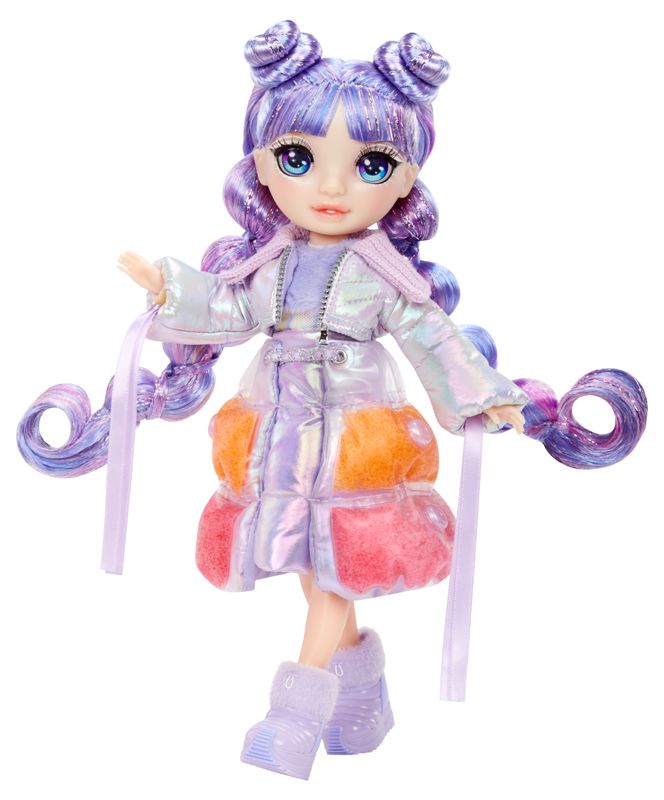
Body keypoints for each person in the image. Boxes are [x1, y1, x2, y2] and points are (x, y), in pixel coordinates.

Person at [17, 20, 647, 781]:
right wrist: (168, 288)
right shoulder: (271, 262)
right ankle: (363, 696)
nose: (331, 188)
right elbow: (230, 312)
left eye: (371, 165)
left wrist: (488, 396)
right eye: (299, 159)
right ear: (260, 166)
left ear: (406, 180)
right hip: (277, 430)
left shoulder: (382, 273)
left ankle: (294, 717)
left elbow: (430, 335)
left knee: (336, 565)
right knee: (315, 568)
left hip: (354, 436)